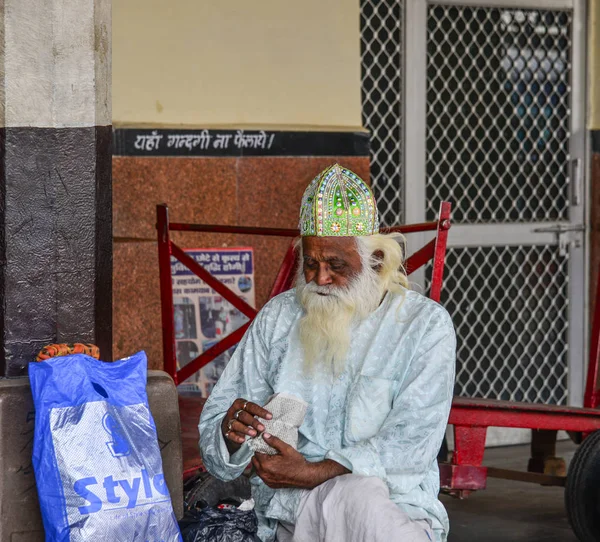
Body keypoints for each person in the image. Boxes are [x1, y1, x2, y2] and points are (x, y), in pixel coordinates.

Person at [199, 164, 456, 542]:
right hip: (292, 512)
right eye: (311, 263)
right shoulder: (278, 317)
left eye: (336, 265)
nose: (320, 278)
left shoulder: (424, 326)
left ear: (377, 262)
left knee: (359, 496)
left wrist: (310, 472)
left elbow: (409, 446)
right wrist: (230, 433)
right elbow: (216, 430)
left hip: (395, 510)